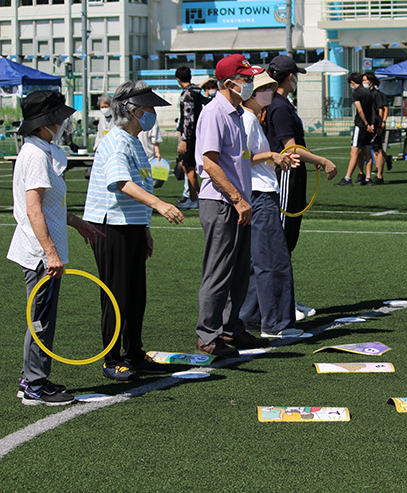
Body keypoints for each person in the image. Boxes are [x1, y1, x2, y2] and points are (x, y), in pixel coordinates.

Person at [83, 81, 184, 382]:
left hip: (131, 226)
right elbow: (122, 184)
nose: (153, 113)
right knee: (116, 295)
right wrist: (160, 204)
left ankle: (134, 354)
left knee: (135, 294)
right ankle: (112, 359)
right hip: (111, 225)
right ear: (132, 110)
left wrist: (145, 229)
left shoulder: (133, 141)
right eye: (148, 108)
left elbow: (137, 184)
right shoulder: (116, 141)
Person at [8, 90, 104, 405]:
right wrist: (50, 252)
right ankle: (34, 385)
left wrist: (76, 223)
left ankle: (32, 379)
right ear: (45, 123)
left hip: (42, 251)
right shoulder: (36, 155)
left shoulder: (39, 150)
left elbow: (48, 207)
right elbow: (33, 210)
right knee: (40, 319)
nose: (64, 123)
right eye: (59, 118)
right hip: (40, 255)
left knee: (41, 317)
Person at [194, 54, 271, 357]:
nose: (250, 83)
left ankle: (230, 328)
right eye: (246, 79)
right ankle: (207, 335)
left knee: (238, 271)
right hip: (221, 201)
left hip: (237, 201)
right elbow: (209, 163)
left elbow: (238, 159)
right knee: (218, 271)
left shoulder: (237, 113)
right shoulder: (214, 112)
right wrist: (237, 199)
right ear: (228, 83)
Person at [265, 55, 337, 319]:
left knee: (287, 242)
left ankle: (287, 300)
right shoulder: (279, 106)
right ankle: (280, 304)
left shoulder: (282, 104)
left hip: (293, 175)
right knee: (281, 243)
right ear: (289, 77)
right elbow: (291, 148)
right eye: (295, 75)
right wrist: (322, 160)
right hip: (285, 175)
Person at [238, 70, 304, 338]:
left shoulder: (249, 118)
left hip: (257, 192)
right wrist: (272, 156)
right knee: (274, 260)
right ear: (252, 94)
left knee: (259, 261)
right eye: (264, 88)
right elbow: (241, 156)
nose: (270, 92)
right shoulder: (247, 119)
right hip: (260, 193)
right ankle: (276, 324)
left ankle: (251, 316)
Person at [335, 72, 375, 186]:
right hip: (368, 126)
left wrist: (366, 124)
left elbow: (360, 110)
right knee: (367, 151)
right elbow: (372, 110)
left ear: (352, 82)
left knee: (354, 152)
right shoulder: (368, 92)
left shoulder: (357, 93)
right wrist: (371, 124)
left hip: (361, 125)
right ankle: (368, 178)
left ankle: (348, 178)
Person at [175, 66, 203, 210]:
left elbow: (188, 118)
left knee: (188, 166)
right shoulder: (196, 91)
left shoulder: (187, 94)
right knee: (188, 166)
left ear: (178, 79)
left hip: (190, 137)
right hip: (198, 134)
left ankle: (194, 199)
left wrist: (184, 139)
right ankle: (196, 197)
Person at [363, 72, 390, 185]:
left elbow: (382, 109)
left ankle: (379, 176)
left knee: (377, 149)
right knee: (373, 148)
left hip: (376, 124)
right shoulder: (365, 94)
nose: (364, 82)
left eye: (366, 80)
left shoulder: (377, 94)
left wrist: (381, 123)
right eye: (363, 80)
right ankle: (385, 161)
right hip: (368, 125)